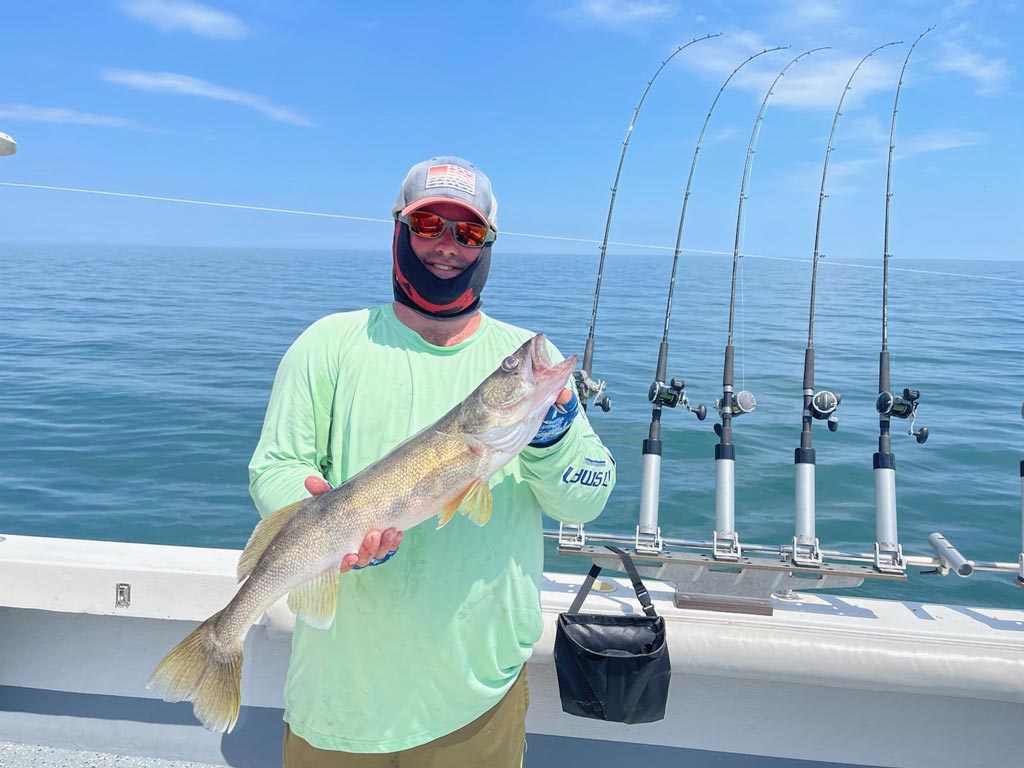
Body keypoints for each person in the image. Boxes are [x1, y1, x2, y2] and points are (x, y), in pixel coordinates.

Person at [248, 156, 616, 767]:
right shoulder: (327, 344)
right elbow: (276, 466)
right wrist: (316, 511)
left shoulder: (529, 364)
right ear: (398, 229)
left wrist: (553, 436)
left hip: (476, 693)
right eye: (428, 226)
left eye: (468, 233)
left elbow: (587, 496)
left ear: (488, 245)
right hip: (340, 695)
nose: (447, 245)